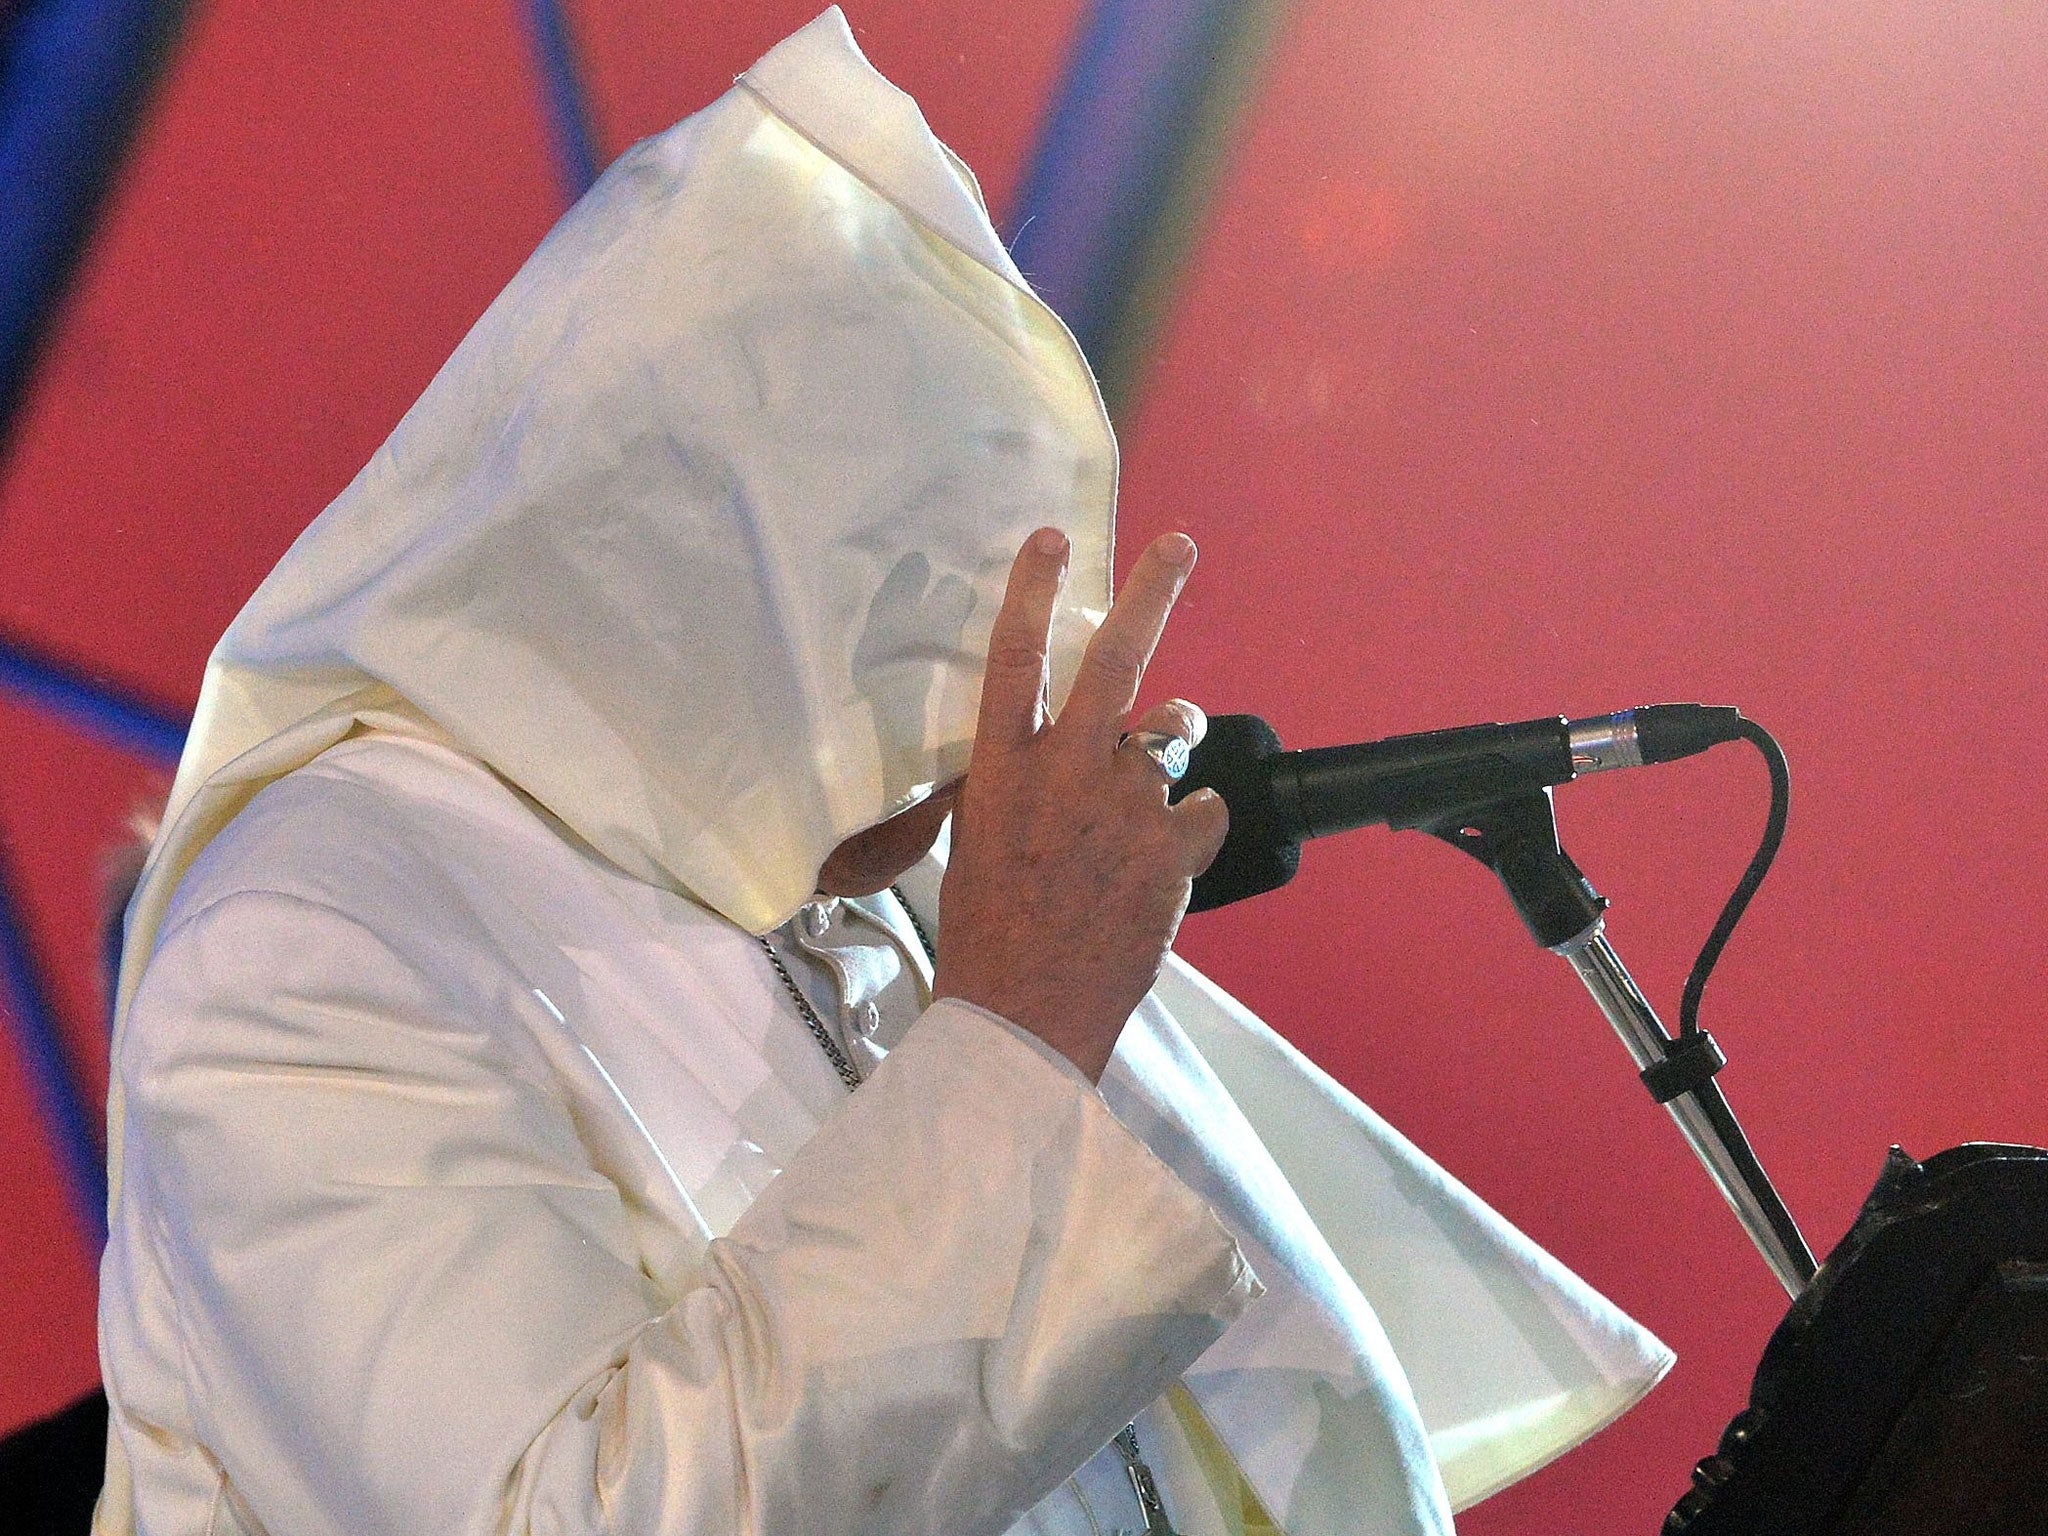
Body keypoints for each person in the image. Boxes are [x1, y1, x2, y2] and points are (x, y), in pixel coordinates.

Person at [95, 12, 1671, 1535]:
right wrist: (1013, 1029)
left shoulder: (835, 862)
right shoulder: (303, 952)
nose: (955, 781)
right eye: (891, 686)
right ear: (688, 591)